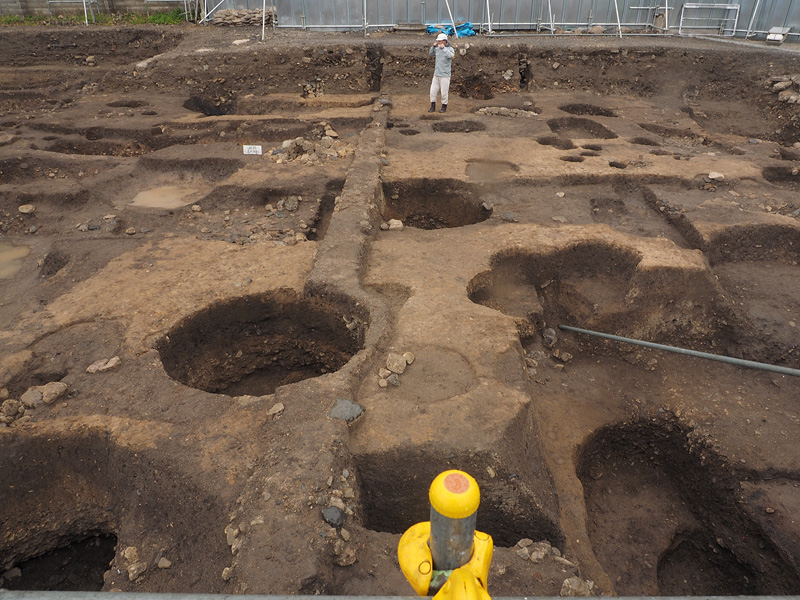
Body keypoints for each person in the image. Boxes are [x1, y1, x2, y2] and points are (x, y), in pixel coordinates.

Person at [428, 33, 455, 113]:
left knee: (444, 92)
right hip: (436, 74)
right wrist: (433, 46)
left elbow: (450, 56)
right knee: (433, 91)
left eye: (439, 41)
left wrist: (444, 49)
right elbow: (431, 54)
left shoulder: (450, 49)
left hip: (445, 75)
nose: (438, 43)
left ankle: (444, 106)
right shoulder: (437, 49)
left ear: (444, 41)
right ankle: (432, 106)